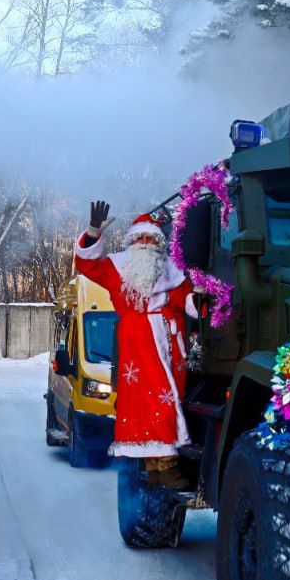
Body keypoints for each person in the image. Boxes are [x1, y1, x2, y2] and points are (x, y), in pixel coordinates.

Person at [74, 200, 197, 489]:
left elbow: (188, 303)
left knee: (166, 398)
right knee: (148, 402)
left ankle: (153, 465)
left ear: (159, 243)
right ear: (131, 242)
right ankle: (165, 464)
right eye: (140, 238)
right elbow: (87, 263)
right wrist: (93, 232)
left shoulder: (173, 273)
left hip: (168, 345)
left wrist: (205, 297)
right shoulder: (117, 268)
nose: (145, 243)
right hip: (136, 345)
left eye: (151, 238)